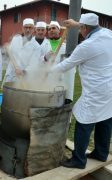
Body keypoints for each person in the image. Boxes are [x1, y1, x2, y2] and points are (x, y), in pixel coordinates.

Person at [51, 13, 112, 169]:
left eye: (81, 28)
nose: (80, 31)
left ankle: (78, 160)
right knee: (105, 119)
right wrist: (76, 23)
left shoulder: (86, 45)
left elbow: (67, 65)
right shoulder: (107, 33)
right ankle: (101, 153)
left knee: (83, 120)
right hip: (109, 89)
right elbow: (91, 27)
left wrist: (47, 71)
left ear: (84, 28)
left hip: (95, 91)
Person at [4, 18, 42, 83]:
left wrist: (23, 72)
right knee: (8, 92)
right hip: (11, 74)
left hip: (24, 77)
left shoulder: (36, 46)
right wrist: (6, 50)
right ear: (22, 28)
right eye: (26, 27)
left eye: (30, 28)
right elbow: (10, 54)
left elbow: (33, 64)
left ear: (33, 29)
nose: (28, 30)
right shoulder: (15, 39)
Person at [48, 21, 76, 103]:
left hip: (61, 81)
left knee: (60, 105)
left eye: (53, 28)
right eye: (49, 29)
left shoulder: (66, 46)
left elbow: (71, 68)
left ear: (59, 30)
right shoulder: (44, 45)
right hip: (47, 81)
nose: (51, 30)